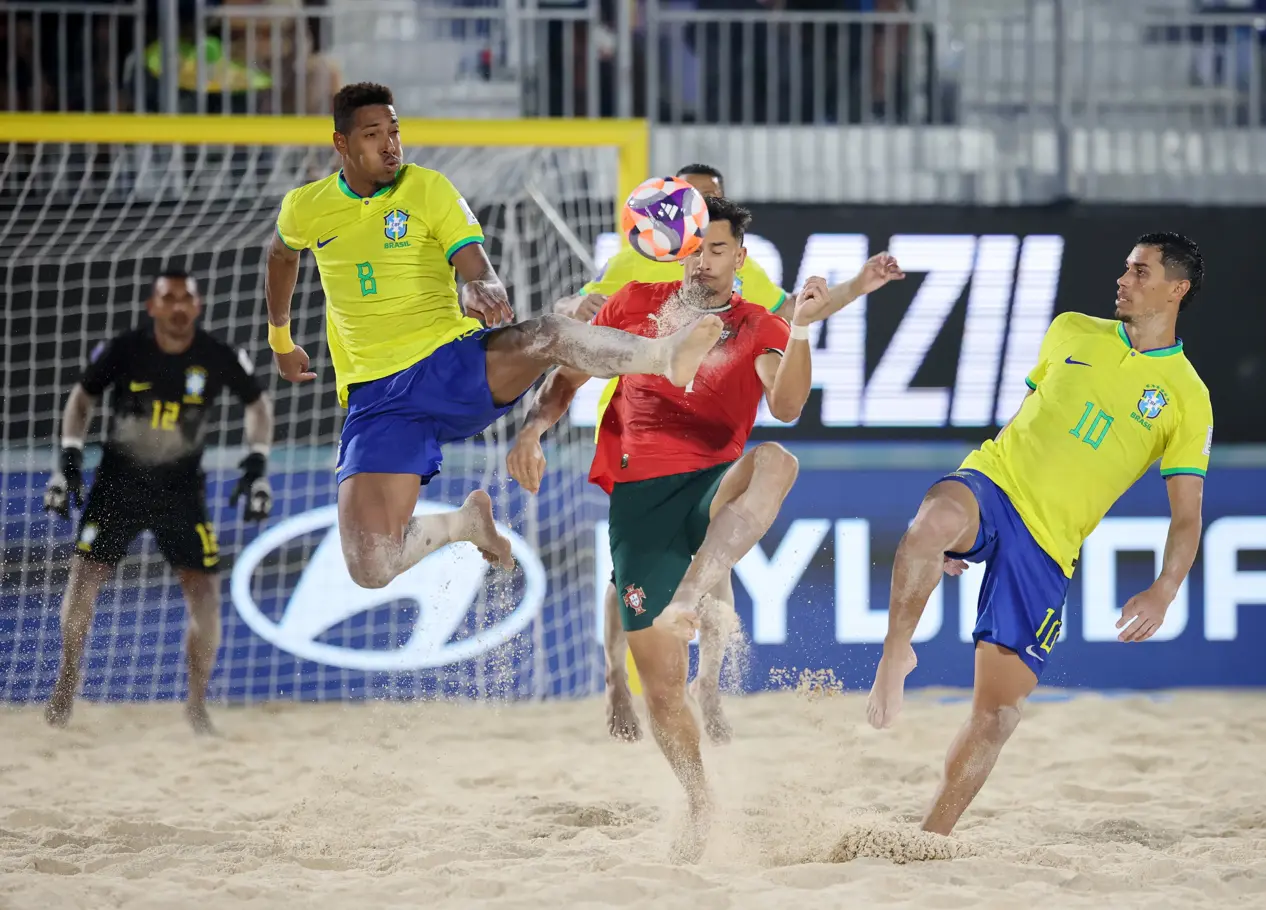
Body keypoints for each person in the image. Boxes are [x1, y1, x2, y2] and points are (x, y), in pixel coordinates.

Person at [264, 82, 724, 591]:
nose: (390, 145)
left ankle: (665, 354)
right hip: (377, 398)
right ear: (341, 144)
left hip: (449, 364)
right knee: (370, 567)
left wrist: (479, 287)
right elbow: (283, 254)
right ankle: (466, 523)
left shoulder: (427, 188)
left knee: (546, 333)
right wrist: (280, 339)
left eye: (394, 132)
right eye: (373, 135)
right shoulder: (306, 206)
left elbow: (476, 265)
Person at [508, 196, 832, 863]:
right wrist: (535, 428)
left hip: (711, 488)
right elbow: (570, 374)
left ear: (740, 256)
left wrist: (799, 327)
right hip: (639, 502)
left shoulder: (755, 325)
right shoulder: (633, 301)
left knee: (776, 460)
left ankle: (695, 590)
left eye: (719, 249)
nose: (705, 261)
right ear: (676, 247)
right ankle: (701, 801)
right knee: (661, 689)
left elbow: (789, 406)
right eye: (696, 248)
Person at [865, 233, 1213, 837]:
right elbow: (1026, 420)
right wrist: (966, 529)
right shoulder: (1071, 329)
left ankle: (930, 839)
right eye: (1126, 267)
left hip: (1049, 546)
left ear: (1176, 289)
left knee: (997, 716)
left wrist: (1164, 588)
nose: (1123, 279)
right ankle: (898, 650)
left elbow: (1187, 516)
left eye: (1140, 271)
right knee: (930, 528)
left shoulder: (1188, 397)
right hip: (994, 484)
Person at [554, 162, 905, 743]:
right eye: (693, 204)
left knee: (715, 571)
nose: (702, 223)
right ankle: (618, 676)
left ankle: (709, 686)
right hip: (633, 435)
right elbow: (581, 318)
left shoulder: (741, 279)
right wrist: (571, 309)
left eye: (712, 203)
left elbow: (785, 319)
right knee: (628, 575)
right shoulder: (635, 264)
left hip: (712, 445)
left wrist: (855, 288)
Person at [42, 269, 275, 735]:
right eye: (168, 298)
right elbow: (80, 399)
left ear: (199, 305)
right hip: (118, 484)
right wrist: (67, 459)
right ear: (153, 307)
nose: (178, 305)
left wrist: (256, 466)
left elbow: (258, 405)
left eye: (186, 297)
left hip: (180, 490)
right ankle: (67, 680)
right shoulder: (126, 350)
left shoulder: (215, 355)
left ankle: (196, 705)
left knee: (205, 595)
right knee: (84, 579)